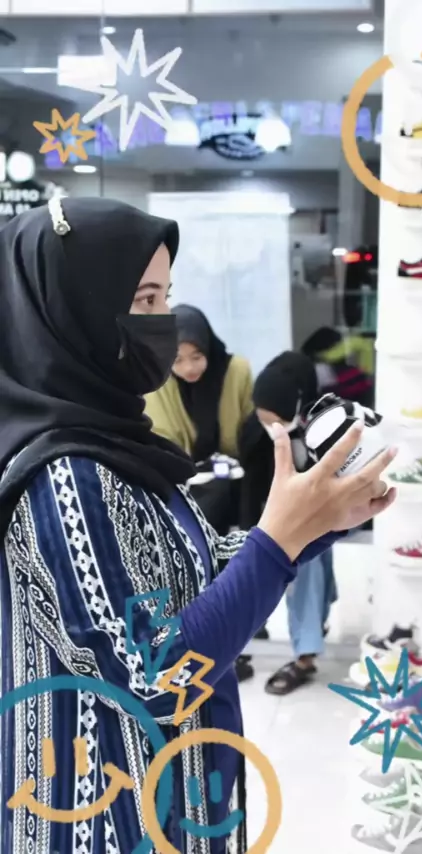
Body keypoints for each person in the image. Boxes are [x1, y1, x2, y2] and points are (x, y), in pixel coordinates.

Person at [0, 197, 396, 854]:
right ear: (75, 310)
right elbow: (155, 678)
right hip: (105, 818)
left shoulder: (117, 446)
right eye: (144, 299)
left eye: (166, 296)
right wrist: (279, 541)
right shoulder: (65, 473)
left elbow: (199, 569)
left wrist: (318, 518)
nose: (164, 321)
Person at [144, 304, 256, 680]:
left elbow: (250, 435)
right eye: (178, 359)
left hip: (235, 488)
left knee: (229, 570)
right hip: (185, 492)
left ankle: (234, 646)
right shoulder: (158, 380)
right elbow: (161, 443)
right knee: (198, 571)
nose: (189, 367)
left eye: (197, 356)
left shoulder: (236, 370)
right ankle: (208, 649)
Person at [239, 352, 336, 694]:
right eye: (264, 419)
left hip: (324, 511)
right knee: (249, 557)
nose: (271, 429)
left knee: (307, 557)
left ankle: (305, 655)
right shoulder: (254, 430)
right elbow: (250, 484)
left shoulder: (325, 425)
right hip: (273, 514)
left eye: (277, 420)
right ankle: (244, 640)